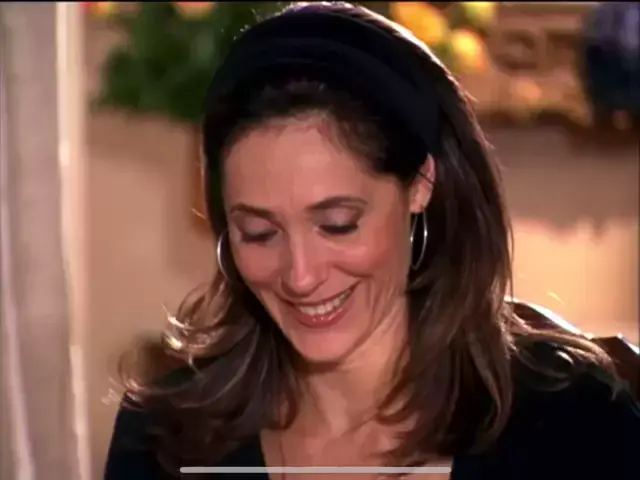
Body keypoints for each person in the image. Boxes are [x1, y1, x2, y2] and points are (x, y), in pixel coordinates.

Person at [104, 2, 640, 479]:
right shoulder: (164, 438)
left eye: (338, 224)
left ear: (420, 185)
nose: (301, 276)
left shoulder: (569, 424)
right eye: (259, 233)